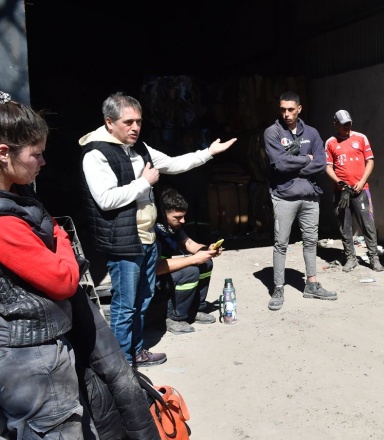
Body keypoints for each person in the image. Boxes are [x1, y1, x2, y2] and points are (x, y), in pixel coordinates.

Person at [80, 92, 236, 366]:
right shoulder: (96, 154)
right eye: (128, 122)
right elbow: (105, 200)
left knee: (143, 300)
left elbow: (174, 164)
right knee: (125, 305)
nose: (135, 127)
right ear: (109, 122)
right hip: (123, 242)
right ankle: (121, 363)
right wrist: (144, 182)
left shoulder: (140, 148)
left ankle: (136, 352)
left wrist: (208, 153)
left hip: (147, 239)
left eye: (138, 121)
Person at [0, 91, 92, 438]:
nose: (42, 162)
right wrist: (61, 237)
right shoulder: (6, 222)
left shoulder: (19, 201)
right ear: (4, 153)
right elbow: (63, 279)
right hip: (31, 361)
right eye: (36, 154)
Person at [264, 91, 337, 311]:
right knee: (281, 243)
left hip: (309, 197)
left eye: (290, 109)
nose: (286, 114)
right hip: (284, 196)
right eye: (282, 109)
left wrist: (295, 163)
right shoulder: (272, 133)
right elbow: (279, 164)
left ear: (299, 109)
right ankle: (278, 287)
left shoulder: (312, 133)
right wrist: (306, 159)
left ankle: (312, 284)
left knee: (310, 241)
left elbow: (321, 163)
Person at [324, 110, 384, 273]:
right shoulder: (330, 142)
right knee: (345, 226)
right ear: (335, 124)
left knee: (368, 225)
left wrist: (362, 181)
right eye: (343, 125)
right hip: (341, 192)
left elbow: (370, 161)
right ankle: (350, 258)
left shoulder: (361, 138)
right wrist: (338, 181)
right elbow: (328, 166)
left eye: (349, 124)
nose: (347, 127)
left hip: (361, 190)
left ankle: (374, 258)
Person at [155, 188, 221, 334]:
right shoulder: (154, 231)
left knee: (206, 262)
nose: (183, 221)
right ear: (163, 213)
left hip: (164, 274)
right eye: (177, 217)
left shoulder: (173, 227)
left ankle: (195, 308)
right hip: (152, 281)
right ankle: (173, 318)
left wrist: (207, 249)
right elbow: (157, 268)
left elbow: (191, 245)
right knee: (190, 270)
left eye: (183, 216)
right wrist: (193, 259)